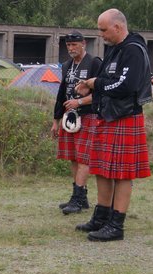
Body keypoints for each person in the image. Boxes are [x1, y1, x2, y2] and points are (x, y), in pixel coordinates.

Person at [75, 8, 152, 241]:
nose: (101, 34)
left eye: (103, 29)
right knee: (101, 169)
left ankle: (116, 225)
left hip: (125, 116)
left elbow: (126, 86)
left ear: (117, 27)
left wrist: (96, 84)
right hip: (107, 114)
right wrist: (92, 85)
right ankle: (101, 217)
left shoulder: (133, 50)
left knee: (122, 174)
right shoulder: (114, 49)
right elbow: (108, 80)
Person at [51, 31, 102, 215]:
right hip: (69, 116)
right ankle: (81, 196)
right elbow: (61, 94)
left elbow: (101, 92)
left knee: (83, 158)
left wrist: (79, 102)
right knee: (73, 157)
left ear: (83, 43)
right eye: (68, 45)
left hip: (88, 115)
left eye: (74, 44)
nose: (71, 48)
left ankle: (77, 200)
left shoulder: (94, 62)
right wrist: (56, 120)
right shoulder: (67, 65)